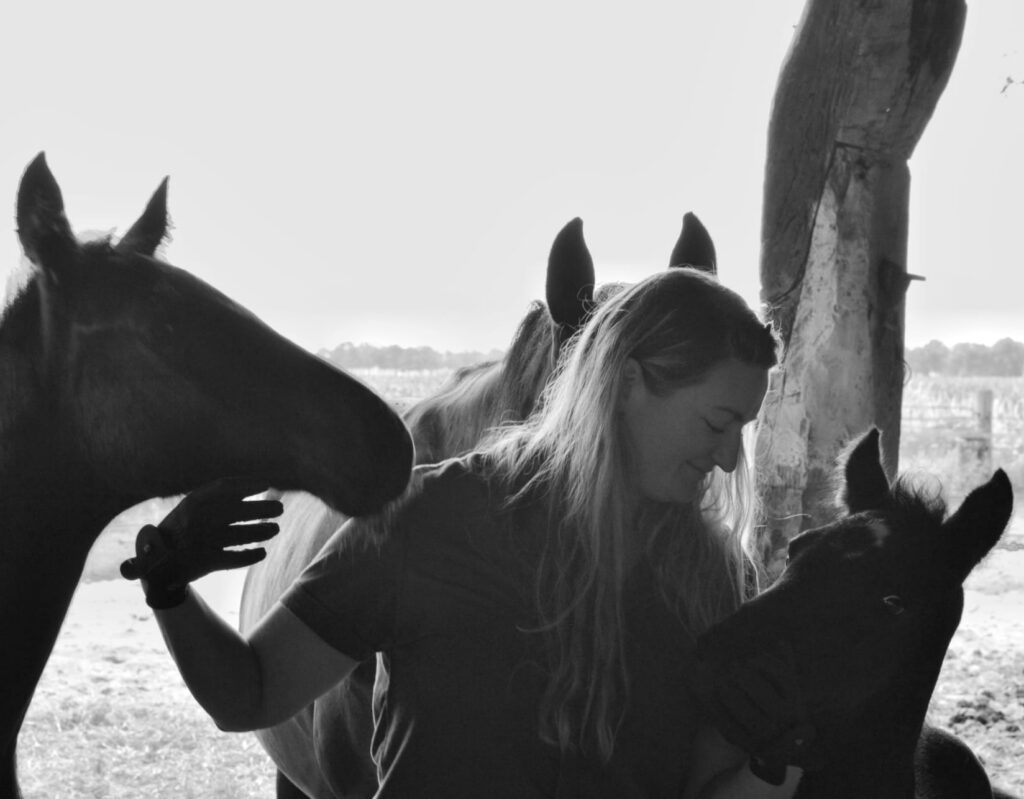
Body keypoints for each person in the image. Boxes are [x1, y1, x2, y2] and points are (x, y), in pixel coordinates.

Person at [125, 267, 814, 798]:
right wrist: (169, 582)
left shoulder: (713, 579)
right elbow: (250, 693)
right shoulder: (431, 518)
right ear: (628, 383)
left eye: (742, 430)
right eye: (717, 423)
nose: (731, 460)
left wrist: (776, 757)